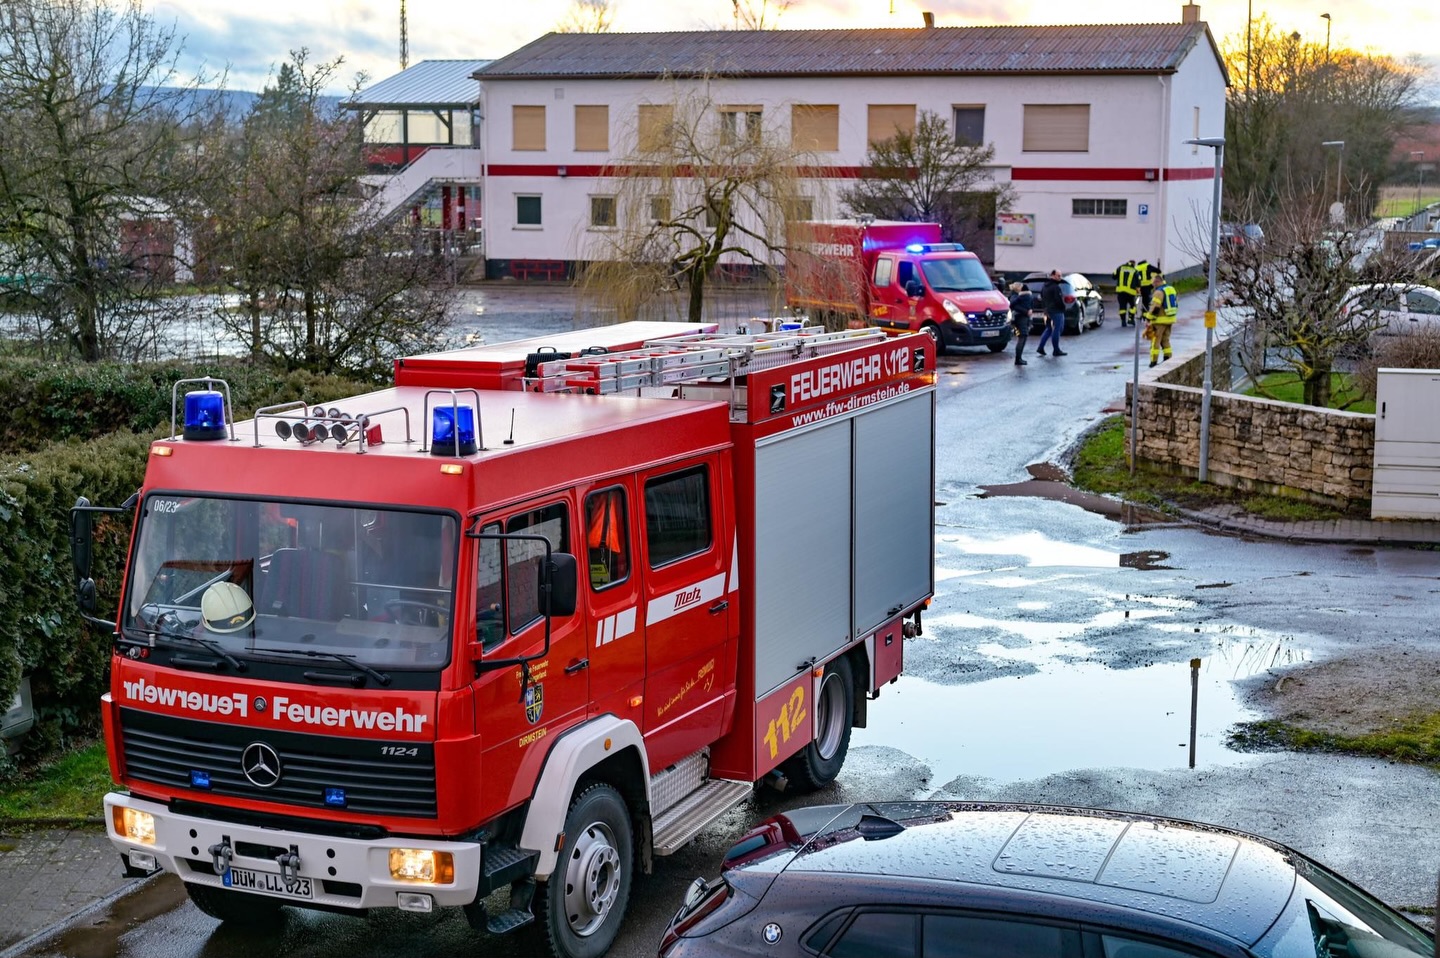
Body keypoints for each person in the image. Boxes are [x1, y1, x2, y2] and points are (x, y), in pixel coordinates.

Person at [1144, 271, 1179, 367]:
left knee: (1155, 341)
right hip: (1170, 319)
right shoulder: (1171, 289)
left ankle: (1153, 361)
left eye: (1153, 283)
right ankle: (1168, 358)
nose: (1152, 285)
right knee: (1165, 340)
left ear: (1157, 282)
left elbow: (1155, 307)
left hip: (1160, 321)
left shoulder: (1158, 292)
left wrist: (1148, 318)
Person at [1035, 270, 1068, 357]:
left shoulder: (1045, 286)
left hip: (1048, 310)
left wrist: (1045, 309)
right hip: (1056, 310)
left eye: (1060, 276)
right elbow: (1058, 300)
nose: (1060, 278)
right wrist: (1063, 307)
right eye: (1058, 276)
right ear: (1053, 275)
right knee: (1058, 328)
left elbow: (1042, 297)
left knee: (1049, 328)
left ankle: (1040, 347)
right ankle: (1056, 350)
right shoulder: (1055, 287)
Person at [1007, 282, 1033, 365]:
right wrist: (1026, 311)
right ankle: (1018, 359)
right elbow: (1013, 306)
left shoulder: (1018, 296)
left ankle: (1019, 358)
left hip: (1022, 318)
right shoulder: (1015, 296)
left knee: (1023, 337)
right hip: (1020, 318)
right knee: (1022, 337)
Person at [1113, 258, 1140, 327]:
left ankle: (1123, 321)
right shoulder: (1135, 271)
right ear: (1134, 264)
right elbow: (1138, 282)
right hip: (1131, 292)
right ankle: (1131, 319)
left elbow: (1114, 276)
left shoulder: (1120, 268)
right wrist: (1138, 291)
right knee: (1133, 306)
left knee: (1122, 307)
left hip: (1121, 291)